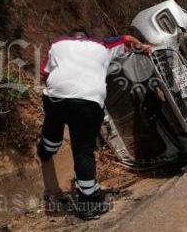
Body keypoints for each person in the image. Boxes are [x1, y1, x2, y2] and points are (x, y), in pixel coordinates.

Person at [37, 27, 150, 220]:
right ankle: (88, 203)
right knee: (83, 150)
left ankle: (46, 149)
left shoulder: (57, 43)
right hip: (88, 101)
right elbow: (127, 39)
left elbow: (44, 73)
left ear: (72, 37)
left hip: (56, 97)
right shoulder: (102, 45)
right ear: (89, 38)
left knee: (53, 119)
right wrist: (144, 48)